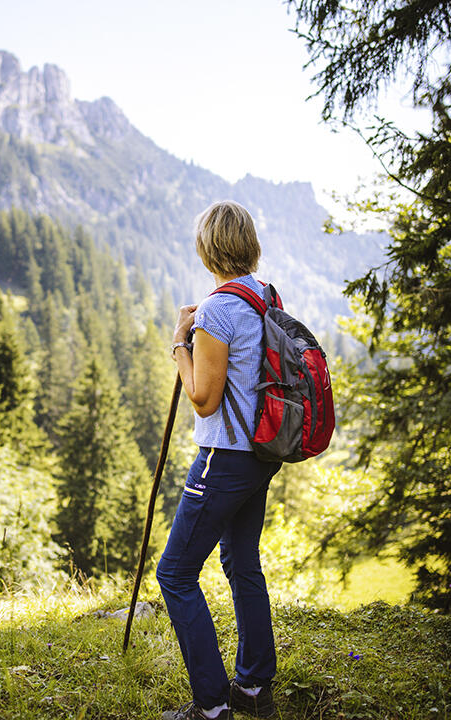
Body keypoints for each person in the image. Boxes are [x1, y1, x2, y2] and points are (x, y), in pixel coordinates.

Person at [158, 200, 282, 720]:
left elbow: (203, 398)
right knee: (240, 560)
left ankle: (210, 707)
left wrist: (180, 344)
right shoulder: (263, 296)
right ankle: (253, 688)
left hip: (223, 457)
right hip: (260, 455)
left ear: (207, 248)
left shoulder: (216, 310)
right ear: (248, 244)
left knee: (176, 574)